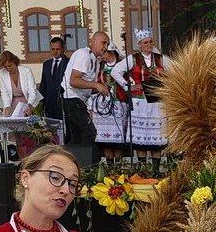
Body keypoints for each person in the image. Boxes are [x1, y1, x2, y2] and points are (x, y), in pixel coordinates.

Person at [111, 30, 172, 161]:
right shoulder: (133, 59)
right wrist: (128, 86)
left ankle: (155, 169)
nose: (149, 45)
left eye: (150, 42)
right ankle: (142, 167)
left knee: (157, 138)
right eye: (145, 43)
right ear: (139, 44)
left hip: (157, 101)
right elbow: (115, 71)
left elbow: (176, 70)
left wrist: (167, 85)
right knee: (141, 139)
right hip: (140, 102)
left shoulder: (161, 59)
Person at [63, 31, 111, 145]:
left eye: (108, 45)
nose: (105, 47)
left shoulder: (96, 60)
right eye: (103, 43)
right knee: (89, 132)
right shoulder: (83, 54)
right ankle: (87, 161)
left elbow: (86, 86)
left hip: (79, 100)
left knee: (77, 136)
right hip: (72, 99)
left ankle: (72, 159)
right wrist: (97, 85)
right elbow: (74, 81)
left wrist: (101, 87)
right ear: (93, 41)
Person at [92, 44, 129, 160]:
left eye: (104, 53)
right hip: (103, 106)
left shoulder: (122, 65)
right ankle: (109, 166)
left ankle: (118, 165)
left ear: (112, 52)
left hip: (119, 103)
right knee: (105, 139)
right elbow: (95, 82)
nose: (101, 56)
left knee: (118, 139)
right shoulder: (100, 65)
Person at [0, 50, 42, 117]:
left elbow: (32, 91)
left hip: (29, 101)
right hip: (13, 104)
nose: (8, 68)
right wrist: (7, 107)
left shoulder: (26, 71)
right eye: (5, 67)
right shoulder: (2, 73)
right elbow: (4, 93)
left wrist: (30, 105)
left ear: (14, 61)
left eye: (10, 65)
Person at [38, 36, 69, 122]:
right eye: (53, 49)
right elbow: (43, 85)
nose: (55, 51)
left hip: (63, 105)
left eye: (58, 49)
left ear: (63, 49)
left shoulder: (69, 63)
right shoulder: (46, 64)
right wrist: (41, 104)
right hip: (49, 105)